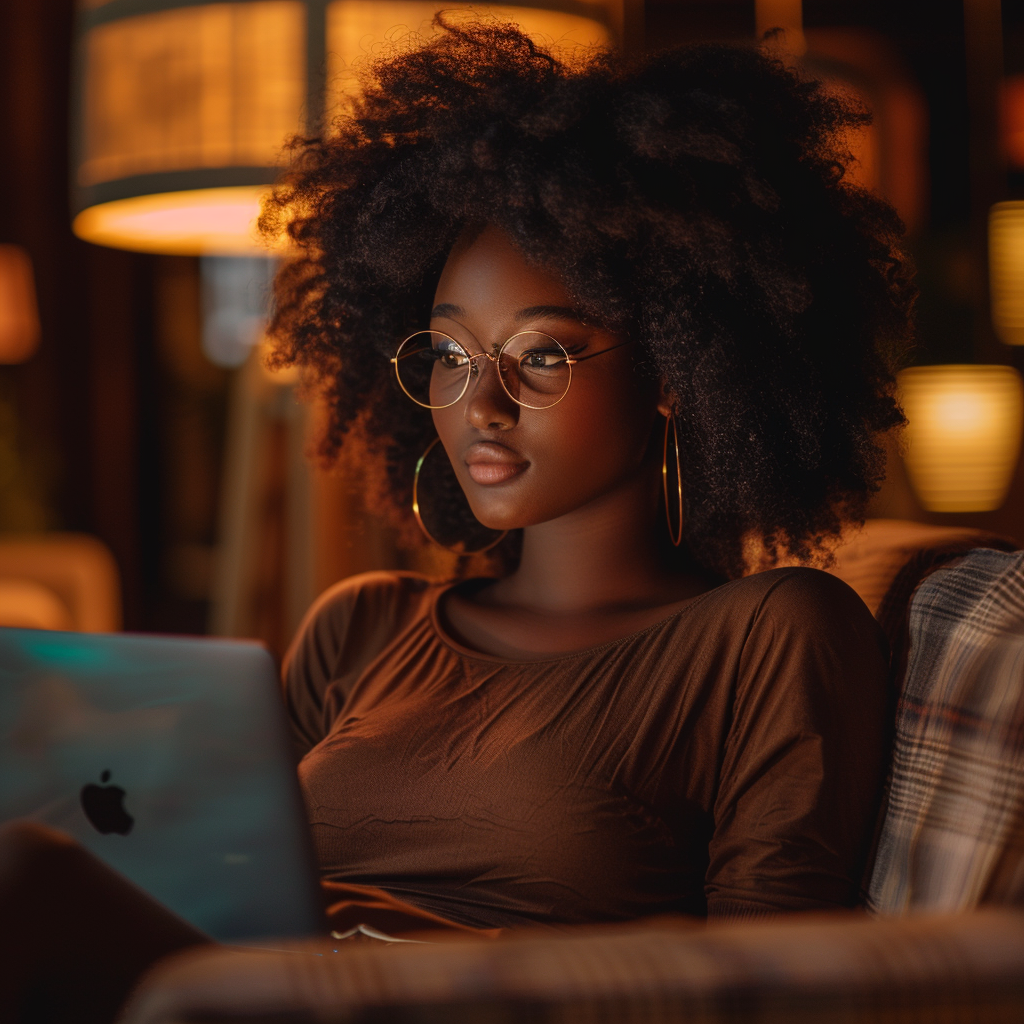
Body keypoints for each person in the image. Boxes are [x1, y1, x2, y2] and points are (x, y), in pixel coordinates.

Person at [0, 16, 913, 1021]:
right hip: (229, 994)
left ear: (676, 368)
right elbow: (206, 887)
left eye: (543, 354)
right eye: (447, 354)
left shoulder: (769, 634)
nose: (479, 403)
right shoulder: (362, 625)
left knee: (20, 881)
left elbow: (768, 983)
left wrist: (420, 952)